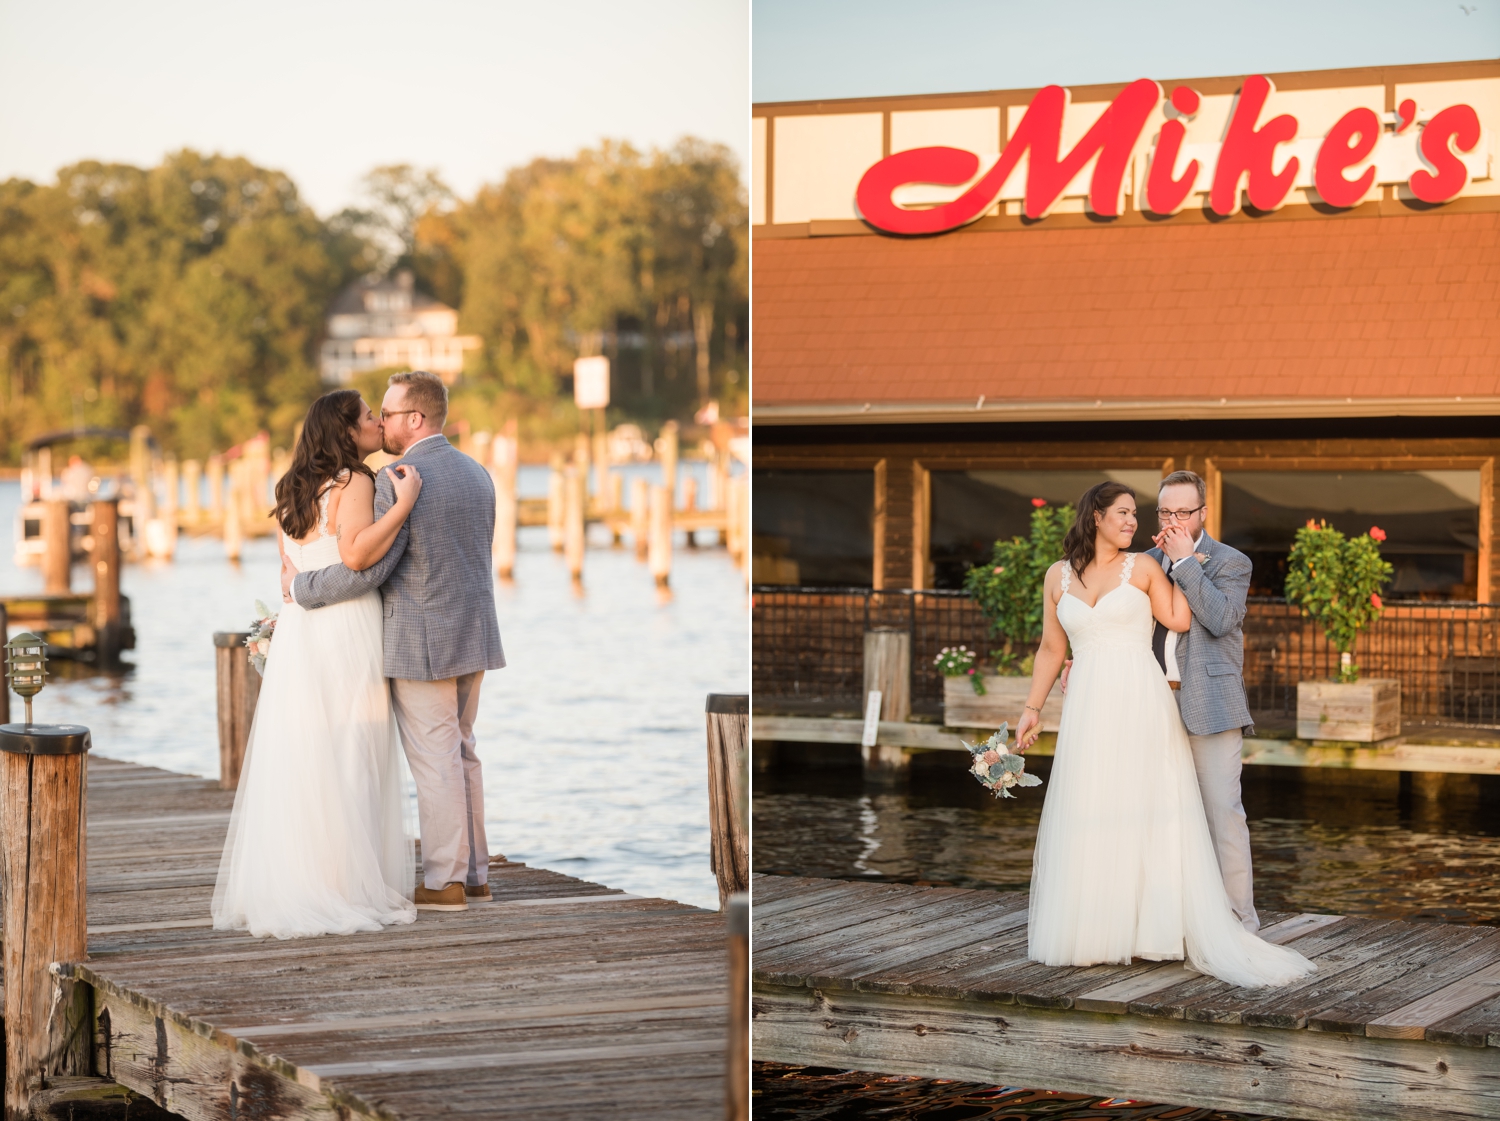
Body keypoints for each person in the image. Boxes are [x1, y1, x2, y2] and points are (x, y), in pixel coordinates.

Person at [1013, 482, 1314, 988]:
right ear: (1096, 518)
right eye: (1155, 511)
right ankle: (1108, 927)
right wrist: (1042, 696)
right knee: (1104, 808)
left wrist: (1185, 563)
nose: (1156, 520)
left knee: (1217, 814)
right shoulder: (1082, 570)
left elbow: (1208, 620)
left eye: (1180, 511)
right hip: (1101, 703)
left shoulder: (1210, 562)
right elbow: (1052, 643)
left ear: (1201, 511)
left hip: (1185, 699)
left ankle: (1236, 926)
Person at [283, 370, 505, 913]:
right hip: (474, 632)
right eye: (373, 413)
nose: (380, 421)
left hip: (421, 640)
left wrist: (302, 587)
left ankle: (446, 880)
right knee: (462, 751)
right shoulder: (479, 474)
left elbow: (368, 570)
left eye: (388, 412)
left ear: (415, 418)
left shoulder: (397, 477)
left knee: (435, 760)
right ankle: (475, 874)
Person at [213, 389, 422, 939]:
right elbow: (355, 555)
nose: (377, 422)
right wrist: (402, 507)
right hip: (344, 625)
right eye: (369, 417)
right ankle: (344, 886)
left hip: (302, 630)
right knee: (352, 748)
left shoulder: (291, 489)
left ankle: (306, 878)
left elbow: (286, 569)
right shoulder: (356, 482)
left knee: (309, 752)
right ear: (347, 431)